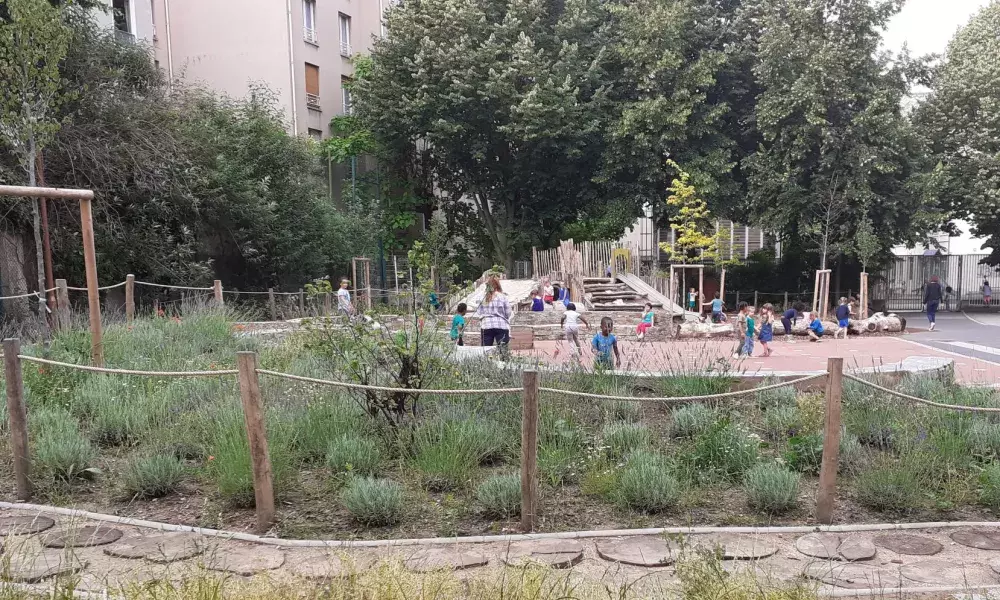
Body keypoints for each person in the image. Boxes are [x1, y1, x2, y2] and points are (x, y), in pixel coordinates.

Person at [475, 276, 512, 347]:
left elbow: (479, 312)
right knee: (503, 351)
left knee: (485, 351)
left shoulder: (482, 297)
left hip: (486, 325)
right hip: (501, 325)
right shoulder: (502, 296)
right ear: (498, 285)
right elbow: (508, 313)